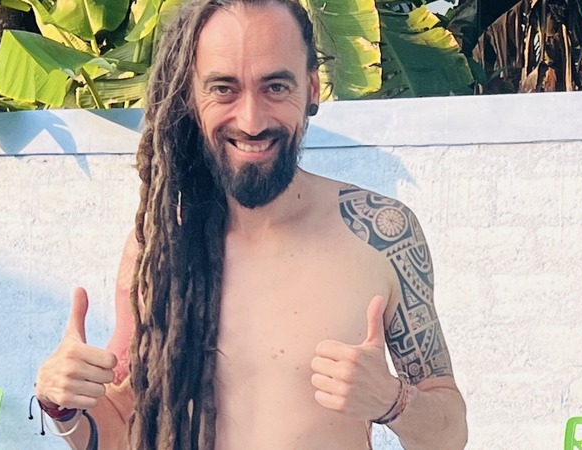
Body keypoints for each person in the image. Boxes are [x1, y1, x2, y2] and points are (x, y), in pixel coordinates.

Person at [34, 0, 468, 448]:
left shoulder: (380, 233)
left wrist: (393, 401)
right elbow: (124, 430)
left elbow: (450, 435)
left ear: (312, 89)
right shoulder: (161, 247)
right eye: (224, 89)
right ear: (191, 96)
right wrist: (62, 403)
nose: (251, 121)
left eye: (275, 87)